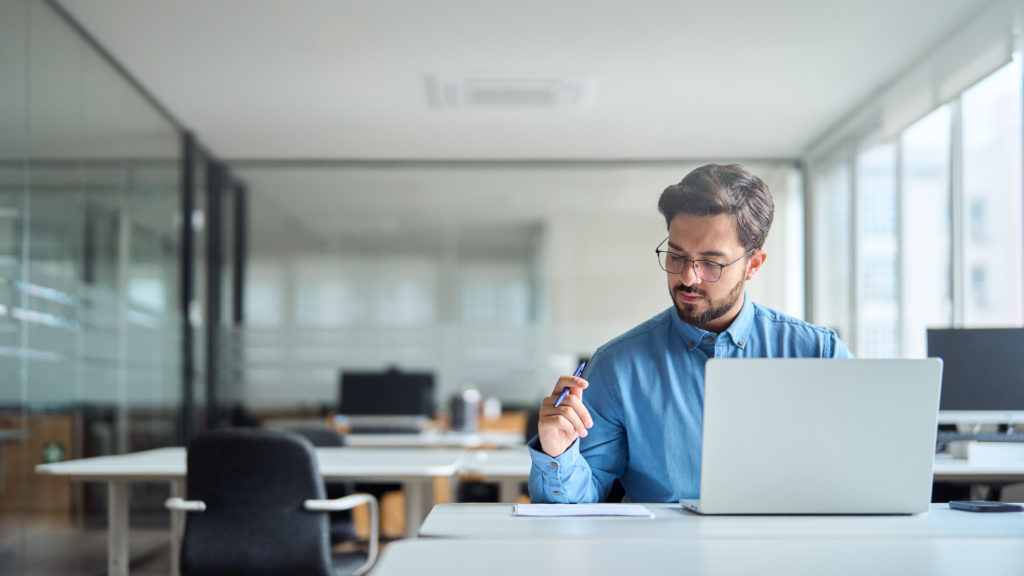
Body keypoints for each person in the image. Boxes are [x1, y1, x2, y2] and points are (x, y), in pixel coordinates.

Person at [528, 163, 853, 503]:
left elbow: (862, 468)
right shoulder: (618, 366)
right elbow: (574, 510)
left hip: (791, 550)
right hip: (660, 553)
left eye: (711, 262)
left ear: (753, 265)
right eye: (676, 256)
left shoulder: (818, 353)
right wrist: (558, 452)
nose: (687, 277)